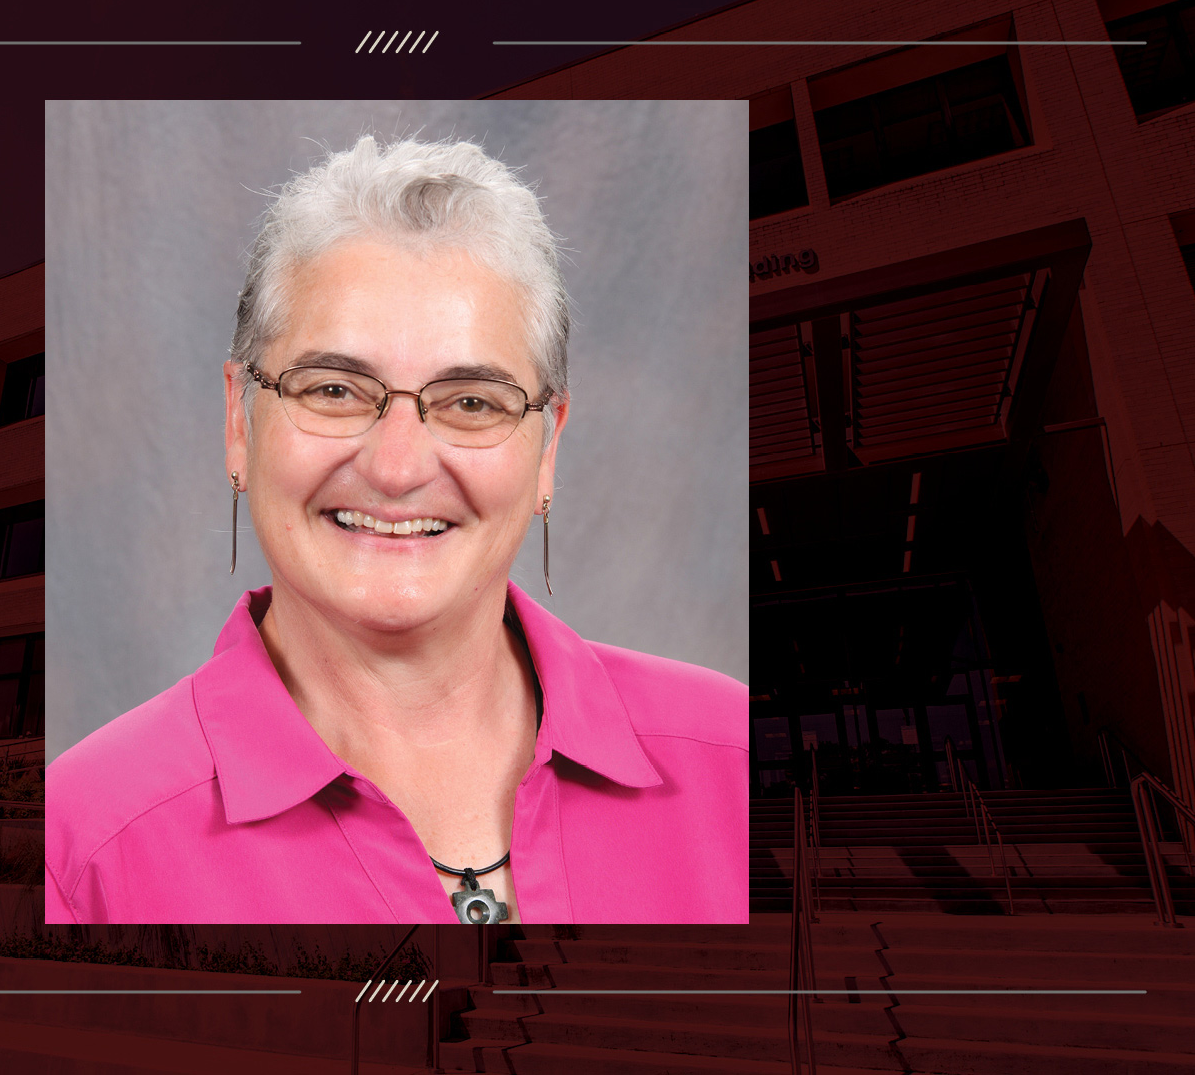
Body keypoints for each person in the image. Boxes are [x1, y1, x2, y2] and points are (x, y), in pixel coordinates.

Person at [45, 135, 747, 923]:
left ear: (548, 445)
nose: (397, 466)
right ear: (240, 422)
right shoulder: (81, 846)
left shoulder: (738, 762)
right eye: (335, 389)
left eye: (472, 402)